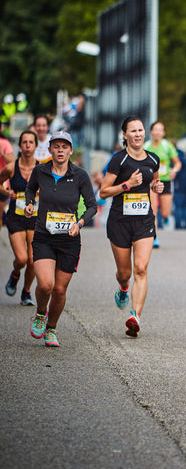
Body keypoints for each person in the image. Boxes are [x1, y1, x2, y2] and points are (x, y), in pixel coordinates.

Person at [24, 131, 97, 347]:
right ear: (50, 149)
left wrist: (80, 223)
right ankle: (40, 313)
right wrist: (30, 203)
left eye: (64, 147)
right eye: (56, 146)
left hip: (69, 239)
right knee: (46, 284)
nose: (60, 150)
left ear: (71, 150)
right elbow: (30, 189)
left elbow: (92, 205)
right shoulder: (40, 171)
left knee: (59, 289)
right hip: (44, 236)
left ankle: (51, 329)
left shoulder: (80, 175)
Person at [100, 116, 165, 337]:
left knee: (141, 269)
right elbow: (103, 191)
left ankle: (135, 316)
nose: (138, 134)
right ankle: (123, 287)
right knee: (125, 272)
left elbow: (154, 181)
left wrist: (157, 186)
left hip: (144, 221)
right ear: (125, 135)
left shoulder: (153, 159)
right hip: (119, 221)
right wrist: (127, 185)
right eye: (133, 131)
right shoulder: (119, 159)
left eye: (140, 130)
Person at [1, 130, 39, 305]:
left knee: (33, 260)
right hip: (16, 217)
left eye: (31, 142)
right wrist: (7, 192)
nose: (28, 146)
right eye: (25, 142)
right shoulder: (11, 167)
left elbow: (54, 189)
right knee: (22, 259)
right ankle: (16, 274)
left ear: (36, 145)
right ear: (20, 145)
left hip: (35, 218)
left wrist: (42, 192)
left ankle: (26, 292)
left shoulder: (42, 169)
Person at [145, 121, 181, 247]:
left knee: (165, 212)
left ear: (163, 133)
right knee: (153, 211)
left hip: (165, 181)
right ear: (151, 132)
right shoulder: (146, 146)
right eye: (155, 130)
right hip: (152, 182)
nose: (158, 132)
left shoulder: (167, 146)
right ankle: (154, 237)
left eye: (160, 130)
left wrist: (174, 170)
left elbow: (177, 163)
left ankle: (165, 218)